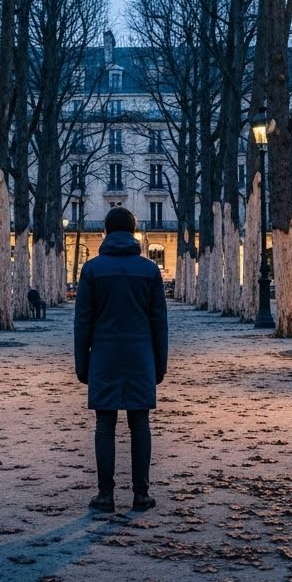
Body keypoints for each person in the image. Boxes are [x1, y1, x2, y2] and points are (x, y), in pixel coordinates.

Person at [74, 207, 168, 513]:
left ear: (106, 232)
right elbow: (159, 323)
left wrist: (81, 364)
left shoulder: (91, 270)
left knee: (105, 424)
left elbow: (83, 322)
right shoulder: (150, 270)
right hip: (141, 355)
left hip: (104, 354)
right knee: (140, 423)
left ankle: (106, 495)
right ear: (134, 232)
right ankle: (141, 494)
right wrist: (160, 364)